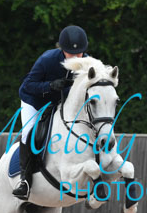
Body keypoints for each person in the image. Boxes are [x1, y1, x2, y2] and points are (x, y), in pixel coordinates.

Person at [12, 25, 89, 200]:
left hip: (62, 103)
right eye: (70, 53)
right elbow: (28, 85)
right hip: (35, 101)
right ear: (62, 50)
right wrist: (50, 85)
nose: (76, 57)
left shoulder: (87, 62)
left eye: (79, 53)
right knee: (29, 133)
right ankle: (25, 180)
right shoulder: (47, 60)